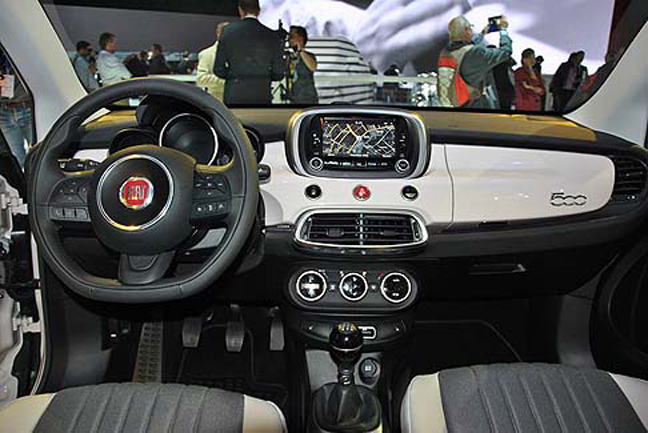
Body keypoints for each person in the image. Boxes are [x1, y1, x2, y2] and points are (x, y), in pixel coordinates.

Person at [214, 0, 286, 105]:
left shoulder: (227, 32)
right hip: (262, 93)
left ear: (240, 10)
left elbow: (218, 69)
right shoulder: (272, 36)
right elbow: (279, 73)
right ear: (259, 11)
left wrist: (234, 76)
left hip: (235, 92)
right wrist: (263, 78)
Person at [437, 15, 512, 108]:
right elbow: (505, 52)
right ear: (467, 30)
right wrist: (503, 30)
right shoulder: (476, 53)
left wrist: (482, 34)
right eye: (470, 28)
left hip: (452, 103)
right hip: (474, 105)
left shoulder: (445, 52)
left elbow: (465, 47)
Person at [0, 51, 33, 167]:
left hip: (27, 107)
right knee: (16, 158)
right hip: (4, 111)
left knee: (37, 153)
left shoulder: (17, 51)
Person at [197, 22, 229, 100]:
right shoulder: (206, 54)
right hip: (216, 101)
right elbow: (201, 79)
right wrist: (226, 81)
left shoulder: (240, 54)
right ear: (218, 33)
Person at [288, 26, 318, 104]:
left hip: (307, 99)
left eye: (292, 36)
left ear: (301, 38)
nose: (289, 39)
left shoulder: (309, 56)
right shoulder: (289, 57)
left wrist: (300, 50)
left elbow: (313, 67)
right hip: (293, 99)